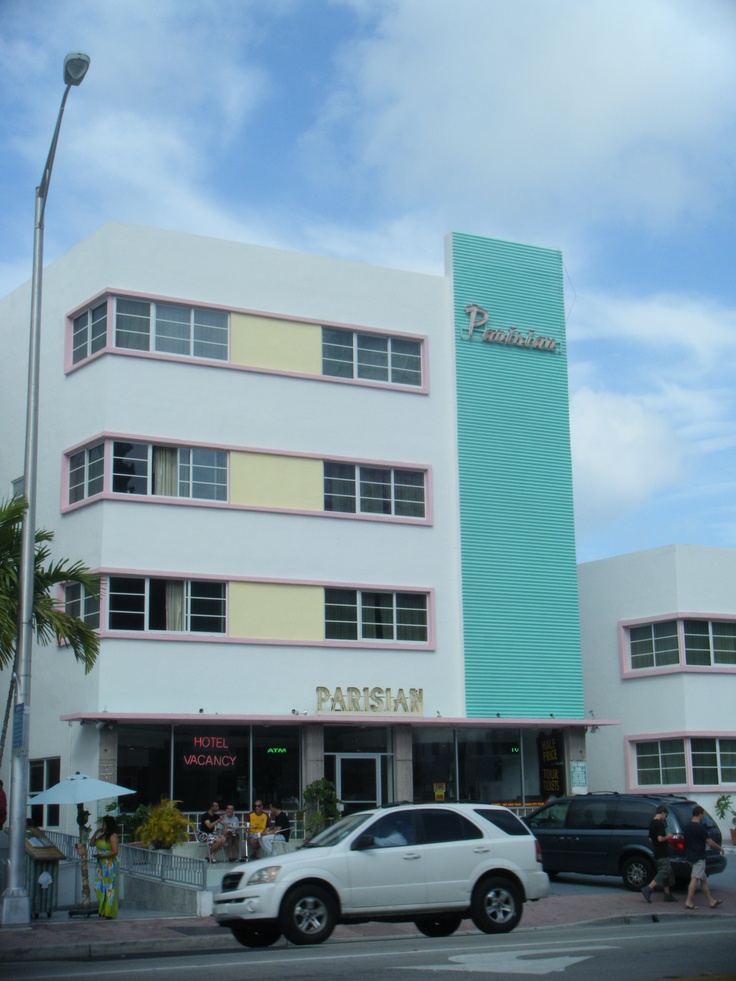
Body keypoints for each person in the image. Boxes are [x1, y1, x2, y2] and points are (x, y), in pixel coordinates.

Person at [684, 805, 725, 910]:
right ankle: (688, 901)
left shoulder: (687, 826)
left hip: (690, 855)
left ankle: (711, 901)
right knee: (695, 878)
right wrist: (720, 849)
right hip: (699, 857)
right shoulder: (700, 827)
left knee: (703, 880)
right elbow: (710, 842)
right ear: (700, 814)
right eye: (703, 815)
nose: (703, 817)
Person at [641, 805, 675, 903]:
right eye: (666, 816)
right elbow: (660, 839)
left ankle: (667, 894)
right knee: (664, 871)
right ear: (662, 813)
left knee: (667, 872)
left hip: (656, 850)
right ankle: (648, 888)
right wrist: (668, 836)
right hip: (662, 851)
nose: (665, 819)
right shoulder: (659, 824)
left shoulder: (651, 823)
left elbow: (650, 839)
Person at [90, 815, 119, 919]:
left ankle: (108, 911)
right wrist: (97, 832)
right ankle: (102, 908)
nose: (102, 825)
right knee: (98, 886)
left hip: (110, 865)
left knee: (109, 888)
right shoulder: (102, 836)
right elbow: (92, 843)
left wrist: (102, 855)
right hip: (100, 865)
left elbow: (115, 852)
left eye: (104, 824)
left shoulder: (112, 836)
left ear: (109, 825)